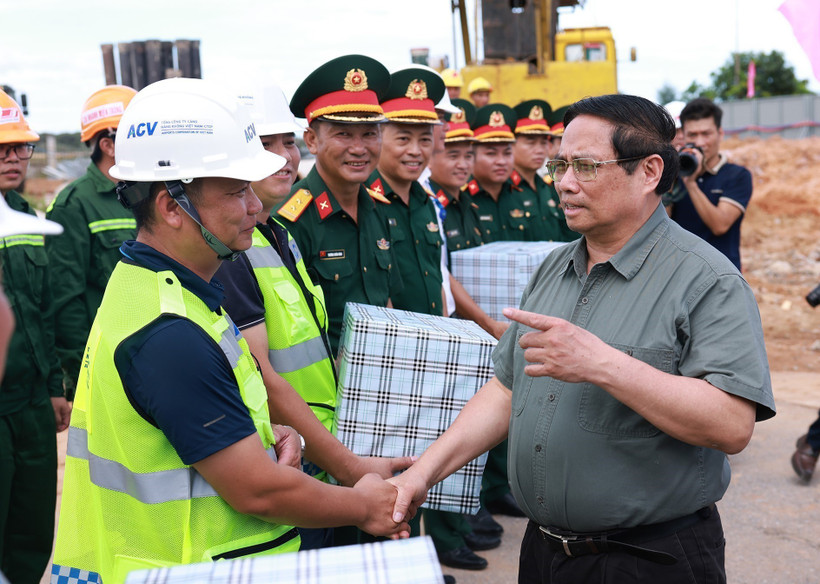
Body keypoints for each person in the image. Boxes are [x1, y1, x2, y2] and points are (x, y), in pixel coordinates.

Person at [389, 94, 775, 584]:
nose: (565, 184)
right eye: (561, 165)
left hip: (649, 560)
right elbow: (506, 390)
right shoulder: (555, 267)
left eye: (587, 166)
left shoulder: (706, 281)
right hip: (546, 552)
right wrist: (422, 474)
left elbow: (731, 425)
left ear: (650, 171)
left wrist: (603, 364)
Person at [51, 78, 411, 584]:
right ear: (171, 207)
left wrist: (266, 433)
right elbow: (257, 491)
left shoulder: (160, 288)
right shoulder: (168, 333)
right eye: (237, 192)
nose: (255, 208)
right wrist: (360, 503)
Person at [218, 83, 412, 550]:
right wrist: (351, 468)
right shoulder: (234, 250)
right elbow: (264, 379)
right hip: (289, 455)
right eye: (264, 145)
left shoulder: (275, 234)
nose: (283, 157)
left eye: (286, 142)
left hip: (323, 445)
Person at [275, 54, 401, 354]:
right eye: (343, 134)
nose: (359, 148)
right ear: (312, 140)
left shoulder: (380, 206)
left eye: (370, 134)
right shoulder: (290, 220)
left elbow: (385, 300)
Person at [0, 88, 68, 584]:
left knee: (31, 531)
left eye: (19, 147)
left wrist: (53, 387)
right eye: (0, 150)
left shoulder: (24, 215)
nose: (13, 159)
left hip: (31, 407)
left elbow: (42, 312)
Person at [45, 85, 138, 399]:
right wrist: (80, 370)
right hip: (106, 362)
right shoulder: (73, 205)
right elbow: (65, 299)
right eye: (138, 135)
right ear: (108, 145)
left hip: (152, 350)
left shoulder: (149, 195)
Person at [368, 66, 445, 316]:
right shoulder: (364, 202)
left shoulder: (425, 200)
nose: (415, 150)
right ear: (378, 137)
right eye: (403, 139)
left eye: (424, 140)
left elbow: (436, 276)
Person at [670, 97, 752, 271]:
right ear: (683, 136)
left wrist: (690, 183)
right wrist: (669, 178)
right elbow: (662, 223)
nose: (700, 143)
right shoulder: (675, 174)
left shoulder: (737, 175)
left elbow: (720, 225)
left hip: (722, 275)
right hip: (679, 272)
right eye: (692, 135)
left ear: (720, 133)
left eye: (706, 134)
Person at [465, 103, 537, 243]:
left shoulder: (520, 195)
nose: (501, 161)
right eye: (491, 154)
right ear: (471, 156)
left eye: (507, 153)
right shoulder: (464, 200)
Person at [512, 99, 578, 242]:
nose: (539, 150)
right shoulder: (506, 189)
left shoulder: (544, 186)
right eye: (531, 142)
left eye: (543, 143)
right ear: (512, 145)